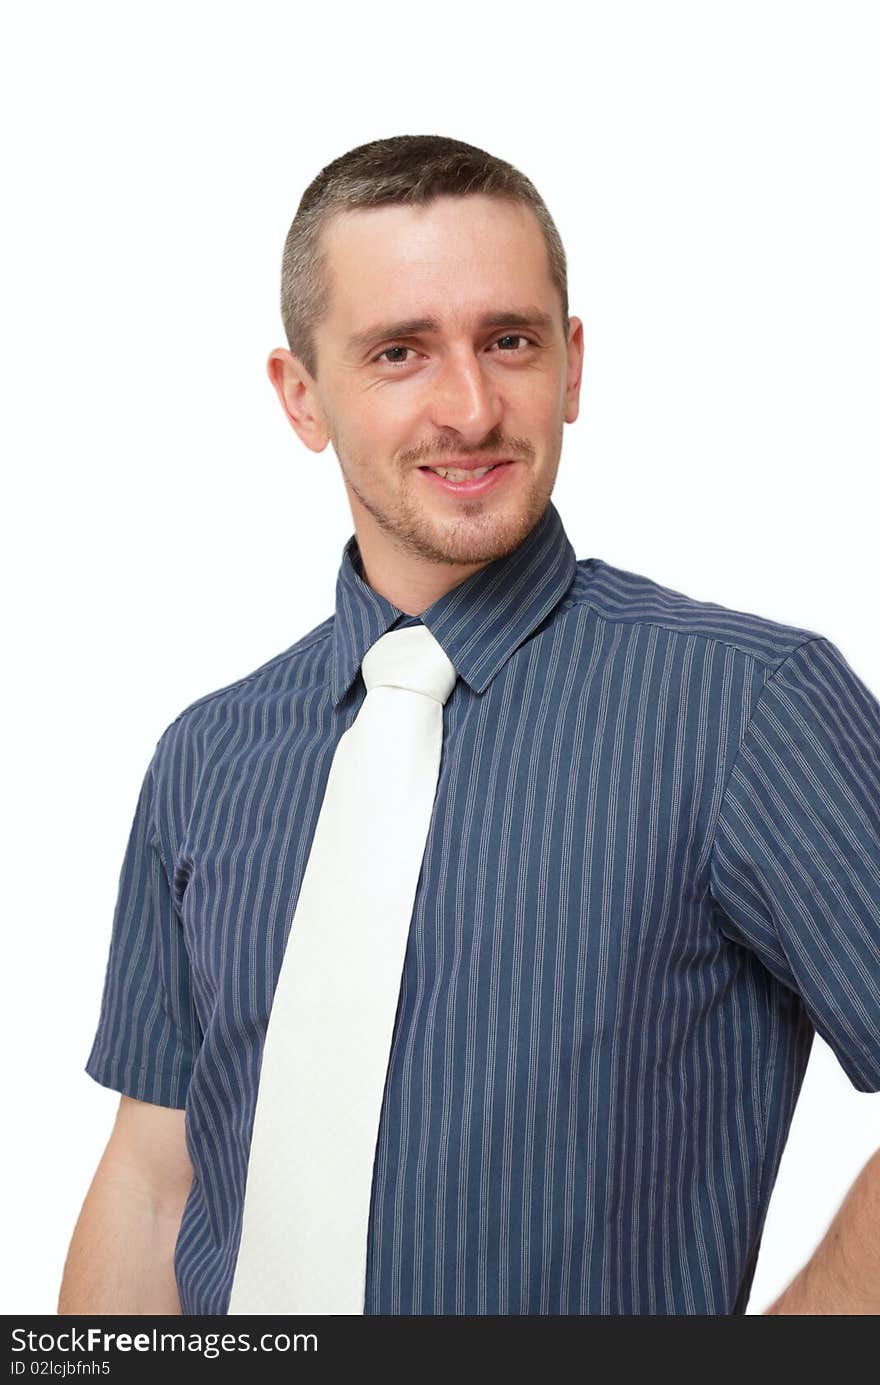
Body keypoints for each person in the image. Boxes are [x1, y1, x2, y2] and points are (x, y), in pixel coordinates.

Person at [58, 134, 880, 1317]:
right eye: (400, 352)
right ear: (302, 395)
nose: (471, 407)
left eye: (510, 341)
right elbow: (154, 1180)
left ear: (573, 365)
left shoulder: (749, 707)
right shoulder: (209, 757)